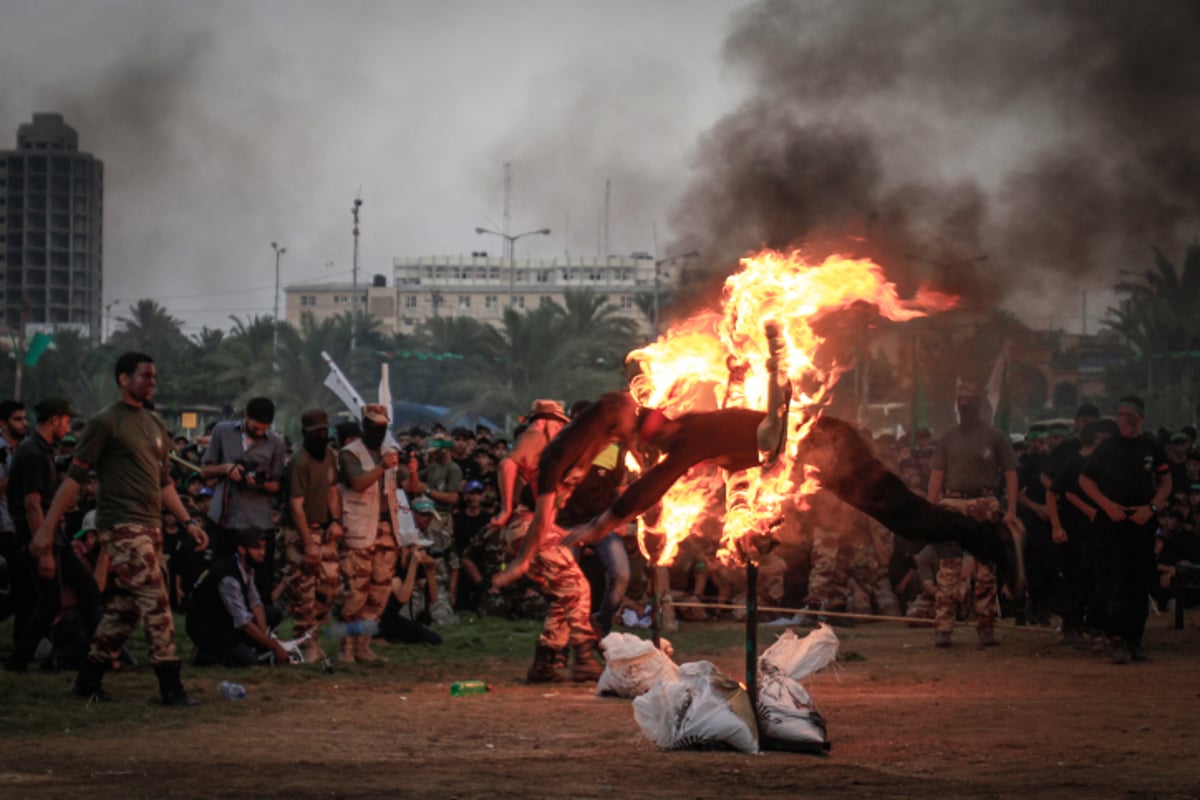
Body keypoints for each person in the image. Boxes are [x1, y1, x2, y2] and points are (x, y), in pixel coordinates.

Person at [30, 352, 209, 705]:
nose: (152, 381)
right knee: (157, 603)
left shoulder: (154, 425)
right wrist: (47, 529)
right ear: (123, 379)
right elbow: (75, 479)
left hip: (151, 526)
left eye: (154, 375)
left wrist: (188, 522)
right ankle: (170, 686)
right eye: (145, 375)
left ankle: (87, 680)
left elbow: (164, 484)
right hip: (122, 526)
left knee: (125, 609)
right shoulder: (105, 422)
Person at [491, 399, 604, 683]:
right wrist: (505, 508)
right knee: (578, 588)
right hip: (525, 526)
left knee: (563, 597)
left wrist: (561, 532)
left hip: (532, 527)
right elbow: (507, 464)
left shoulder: (553, 449)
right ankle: (585, 658)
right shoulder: (537, 432)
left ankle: (545, 662)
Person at [4, 397, 102, 672]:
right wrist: (43, 548)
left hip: (50, 537)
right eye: (67, 420)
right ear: (55, 420)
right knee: (52, 601)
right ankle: (23, 659)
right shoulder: (33, 453)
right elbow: (32, 504)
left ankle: (94, 653)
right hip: (42, 538)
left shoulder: (39, 449)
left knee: (80, 592)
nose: (68, 426)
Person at [1078, 395, 1171, 664]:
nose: (1124, 420)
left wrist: (1152, 508)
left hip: (1141, 521)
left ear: (1140, 418)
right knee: (1114, 580)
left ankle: (1135, 639)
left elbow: (1165, 482)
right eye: (1120, 415)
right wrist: (1106, 505)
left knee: (1139, 582)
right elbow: (1085, 479)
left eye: (1129, 415)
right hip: (1113, 522)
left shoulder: (1151, 446)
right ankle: (1115, 638)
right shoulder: (1107, 447)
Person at [925, 382, 1019, 648]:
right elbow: (937, 476)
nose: (963, 405)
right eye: (959, 401)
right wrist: (931, 509)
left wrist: (1010, 510)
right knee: (949, 569)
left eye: (968, 401)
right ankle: (943, 628)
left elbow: (1011, 474)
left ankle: (985, 628)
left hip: (984, 505)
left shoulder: (995, 437)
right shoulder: (947, 439)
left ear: (978, 405)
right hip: (953, 504)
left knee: (986, 570)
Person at [200, 397, 286, 602]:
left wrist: (259, 483)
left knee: (259, 582)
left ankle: (259, 627)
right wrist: (226, 468)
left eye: (264, 428)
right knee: (221, 577)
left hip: (257, 522)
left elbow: (277, 485)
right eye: (256, 427)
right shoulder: (222, 431)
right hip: (224, 518)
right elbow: (205, 470)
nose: (259, 432)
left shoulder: (276, 443)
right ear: (246, 416)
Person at [336, 403, 403, 664]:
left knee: (379, 593)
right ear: (364, 427)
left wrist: (412, 468)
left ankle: (363, 647)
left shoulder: (389, 452)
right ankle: (345, 648)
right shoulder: (349, 454)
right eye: (373, 428)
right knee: (355, 592)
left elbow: (408, 482)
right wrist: (382, 467)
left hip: (387, 529)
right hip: (359, 529)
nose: (378, 432)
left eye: (382, 428)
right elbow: (358, 482)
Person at [281, 409, 344, 664]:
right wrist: (308, 544)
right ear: (306, 434)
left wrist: (337, 520)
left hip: (324, 527)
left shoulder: (329, 456)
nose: (322, 436)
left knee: (329, 586)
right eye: (316, 432)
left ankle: (314, 636)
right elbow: (296, 506)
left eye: (324, 431)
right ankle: (305, 643)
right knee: (304, 590)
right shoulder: (299, 462)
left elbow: (331, 490)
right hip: (299, 531)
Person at [186, 529, 291, 667]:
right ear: (242, 549)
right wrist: (274, 646)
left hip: (227, 619)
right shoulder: (229, 577)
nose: (262, 553)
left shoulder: (247, 567)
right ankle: (208, 653)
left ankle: (249, 646)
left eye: (264, 548)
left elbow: (256, 604)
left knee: (274, 614)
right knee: (250, 662)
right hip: (209, 626)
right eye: (256, 548)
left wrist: (265, 638)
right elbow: (243, 622)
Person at [0, 400, 29, 637]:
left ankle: (21, 642)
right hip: (2, 526)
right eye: (17, 419)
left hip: (15, 525)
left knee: (24, 587)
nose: (23, 424)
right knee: (22, 586)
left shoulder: (22, 449)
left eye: (24, 418)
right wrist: (15, 474)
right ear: (3, 423)